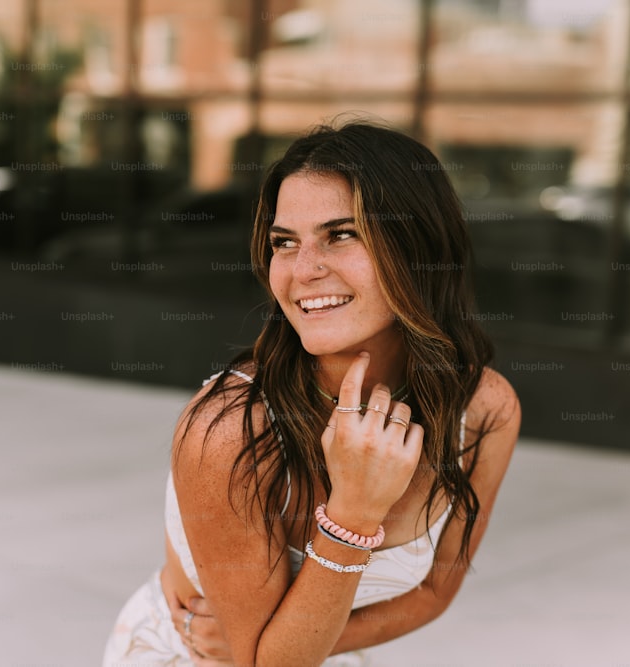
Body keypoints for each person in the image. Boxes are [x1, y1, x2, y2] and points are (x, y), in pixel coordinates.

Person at [102, 120, 520, 666]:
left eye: (342, 234)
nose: (304, 270)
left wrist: (323, 642)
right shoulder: (229, 429)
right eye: (284, 242)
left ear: (419, 248)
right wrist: (354, 511)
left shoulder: (483, 411)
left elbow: (435, 594)